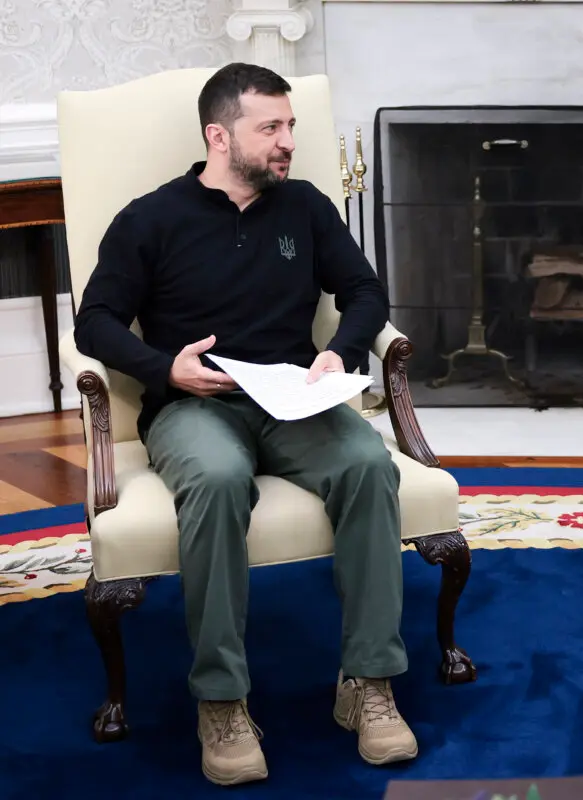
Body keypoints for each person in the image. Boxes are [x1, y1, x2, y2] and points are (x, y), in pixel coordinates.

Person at [73, 63, 416, 786]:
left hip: (293, 400)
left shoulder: (306, 209)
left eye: (290, 124)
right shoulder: (151, 218)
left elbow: (363, 292)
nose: (289, 140)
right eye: (272, 127)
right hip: (195, 404)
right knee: (220, 479)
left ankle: (369, 685)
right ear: (219, 135)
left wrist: (338, 351)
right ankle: (222, 700)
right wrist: (166, 367)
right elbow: (95, 319)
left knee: (368, 464)